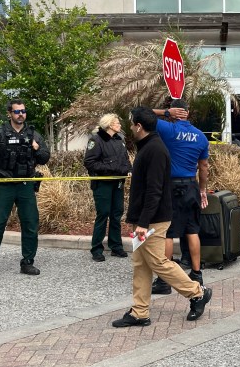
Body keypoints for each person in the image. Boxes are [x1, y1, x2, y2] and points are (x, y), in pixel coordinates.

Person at [111, 107, 212, 327]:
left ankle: (197, 293)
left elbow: (154, 190)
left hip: (153, 220)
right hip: (146, 218)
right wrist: (167, 111)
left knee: (159, 262)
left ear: (139, 127)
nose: (129, 127)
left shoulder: (155, 150)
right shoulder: (148, 146)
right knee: (141, 264)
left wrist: (143, 223)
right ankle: (140, 312)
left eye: (132, 124)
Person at [0, 99, 51, 284]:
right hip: (3, 185)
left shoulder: (33, 134)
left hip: (25, 184)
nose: (21, 114)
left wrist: (36, 147)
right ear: (9, 113)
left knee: (31, 224)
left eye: (23, 111)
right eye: (17, 111)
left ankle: (27, 262)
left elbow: (44, 158)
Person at [150, 99, 209, 295]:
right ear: (188, 112)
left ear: (176, 112)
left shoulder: (168, 130)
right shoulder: (201, 136)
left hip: (172, 186)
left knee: (169, 232)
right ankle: (197, 273)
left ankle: (164, 280)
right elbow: (204, 167)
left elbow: (140, 113)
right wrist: (202, 190)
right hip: (191, 185)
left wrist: (165, 112)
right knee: (192, 230)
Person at [84, 114, 132, 262]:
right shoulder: (96, 139)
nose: (120, 125)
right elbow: (90, 162)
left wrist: (129, 169)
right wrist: (112, 169)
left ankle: (116, 246)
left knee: (117, 214)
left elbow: (125, 160)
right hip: (103, 183)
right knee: (103, 214)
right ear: (110, 125)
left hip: (117, 183)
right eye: (117, 123)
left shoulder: (119, 140)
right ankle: (97, 249)